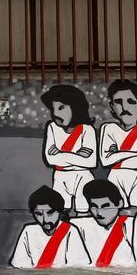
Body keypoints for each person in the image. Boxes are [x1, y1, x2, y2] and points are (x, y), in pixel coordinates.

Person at [98, 79, 137, 207]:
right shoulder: (108, 128)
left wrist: (117, 154)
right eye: (118, 102)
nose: (125, 108)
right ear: (112, 106)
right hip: (114, 178)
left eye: (131, 102)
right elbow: (105, 161)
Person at [41, 85, 97, 215]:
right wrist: (78, 156)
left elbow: (90, 162)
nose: (55, 114)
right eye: (53, 109)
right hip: (60, 177)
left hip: (83, 176)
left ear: (76, 107)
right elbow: (50, 159)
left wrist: (60, 154)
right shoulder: (52, 127)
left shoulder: (87, 129)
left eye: (61, 108)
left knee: (84, 212)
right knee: (60, 212)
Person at [9, 185, 91, 269]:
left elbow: (78, 267)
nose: (45, 219)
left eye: (50, 213)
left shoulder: (70, 231)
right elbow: (19, 265)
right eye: (39, 214)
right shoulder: (29, 231)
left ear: (59, 212)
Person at [70, 179, 137, 267]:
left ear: (120, 204)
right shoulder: (80, 227)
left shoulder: (131, 226)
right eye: (94, 207)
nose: (99, 213)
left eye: (105, 206)